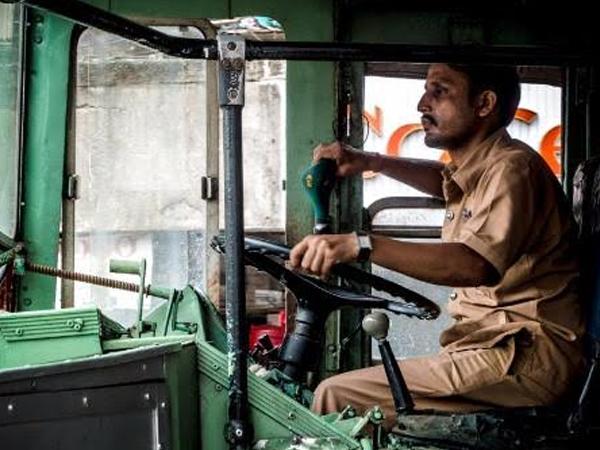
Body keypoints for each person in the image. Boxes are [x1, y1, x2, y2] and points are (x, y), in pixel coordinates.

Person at [289, 63, 585, 428]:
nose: (421, 104)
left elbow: (475, 265)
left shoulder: (513, 169)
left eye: (439, 92)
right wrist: (371, 161)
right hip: (495, 347)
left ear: (484, 103)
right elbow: (443, 180)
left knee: (337, 396)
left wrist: (360, 244)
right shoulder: (483, 168)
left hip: (527, 356)